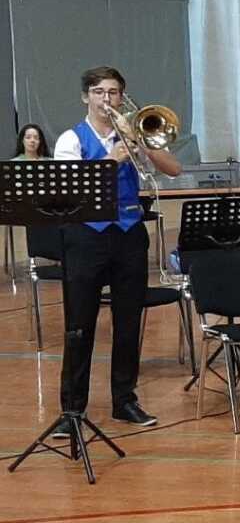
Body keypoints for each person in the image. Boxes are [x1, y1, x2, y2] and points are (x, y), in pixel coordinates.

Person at [51, 66, 181, 436]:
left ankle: (124, 400)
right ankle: (72, 409)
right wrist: (115, 156)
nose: (105, 99)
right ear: (85, 97)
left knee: (128, 322)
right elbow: (71, 188)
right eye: (98, 92)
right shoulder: (70, 140)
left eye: (112, 92)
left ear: (122, 98)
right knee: (80, 325)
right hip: (86, 237)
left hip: (128, 234)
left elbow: (173, 169)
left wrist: (140, 142)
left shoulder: (133, 131)